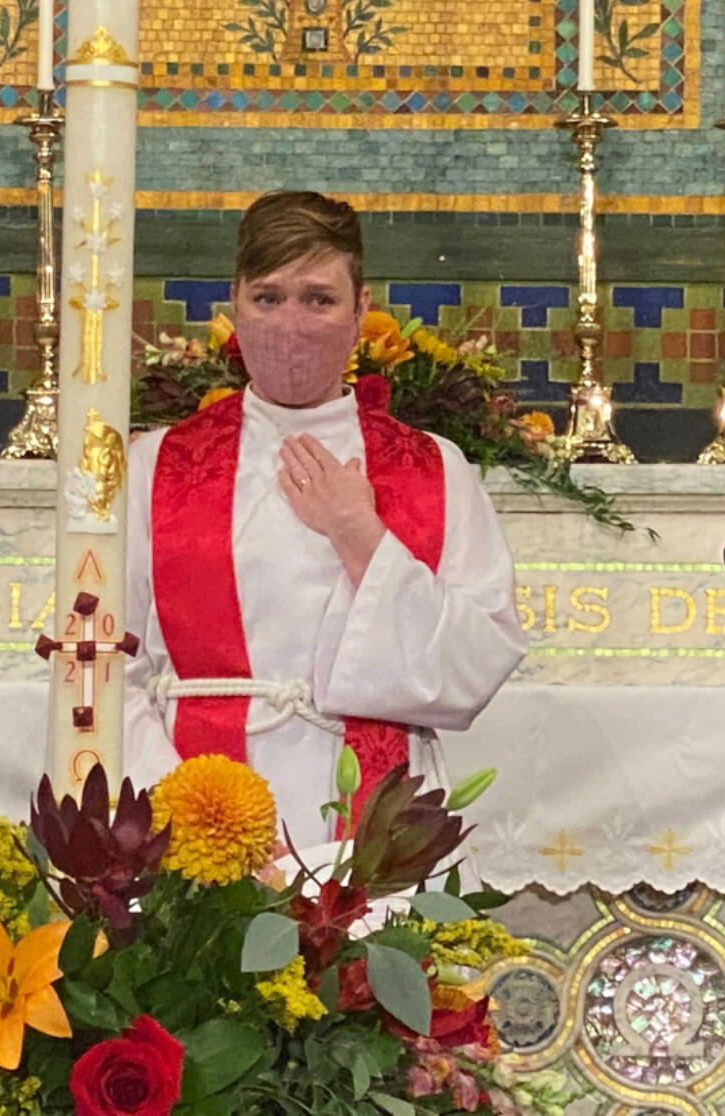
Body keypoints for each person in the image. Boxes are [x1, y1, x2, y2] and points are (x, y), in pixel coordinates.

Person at [124, 190, 527, 840]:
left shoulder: (434, 469)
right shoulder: (157, 467)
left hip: (377, 825)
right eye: (268, 297)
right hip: (195, 808)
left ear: (362, 308)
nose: (291, 326)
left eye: (319, 298)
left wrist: (359, 534)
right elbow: (108, 666)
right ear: (234, 304)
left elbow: (474, 669)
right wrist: (176, 816)